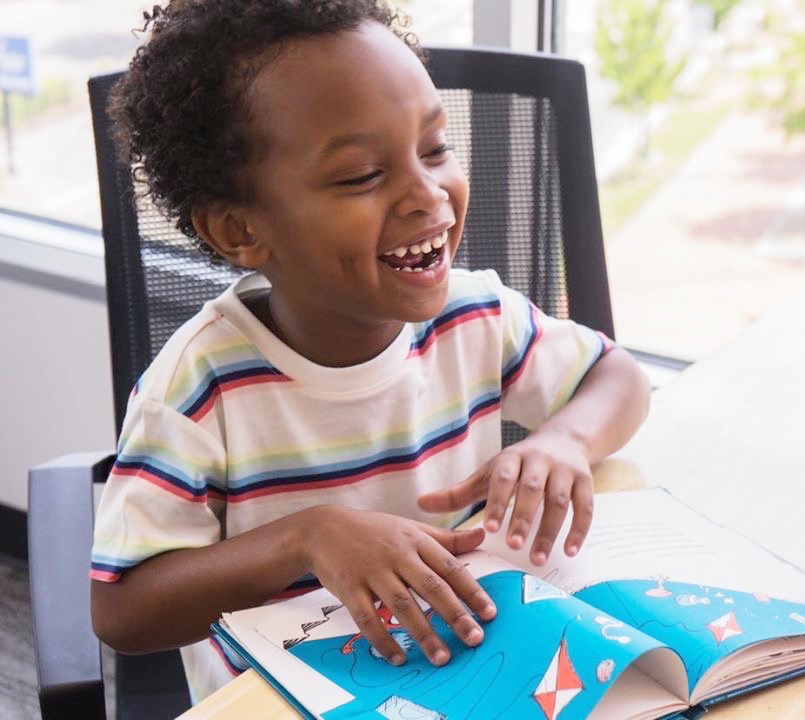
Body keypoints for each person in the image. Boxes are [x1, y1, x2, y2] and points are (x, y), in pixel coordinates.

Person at [88, 0, 651, 703]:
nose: (427, 194)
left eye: (436, 148)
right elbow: (122, 610)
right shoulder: (199, 390)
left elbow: (617, 376)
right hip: (290, 695)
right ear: (240, 230)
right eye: (360, 176)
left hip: (465, 653)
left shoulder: (475, 314)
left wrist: (565, 440)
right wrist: (308, 539)